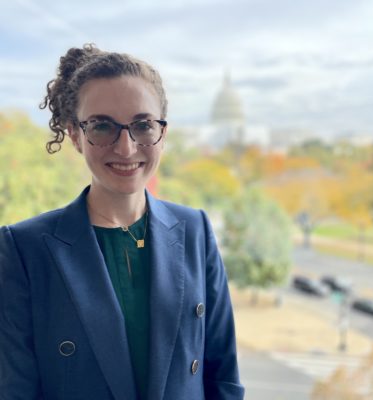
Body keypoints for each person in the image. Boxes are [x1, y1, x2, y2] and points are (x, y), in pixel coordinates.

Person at [0, 44, 244, 400]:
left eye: (143, 125)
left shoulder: (196, 231)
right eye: (102, 126)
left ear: (163, 132)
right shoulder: (24, 248)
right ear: (75, 135)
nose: (126, 148)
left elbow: (223, 377)